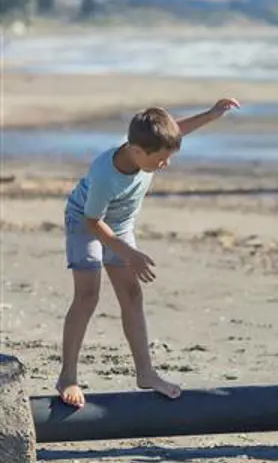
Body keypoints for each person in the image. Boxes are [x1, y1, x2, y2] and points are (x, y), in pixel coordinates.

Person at [56, 99, 240, 408]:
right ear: (138, 151)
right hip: (85, 221)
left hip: (120, 223)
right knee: (88, 296)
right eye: (161, 160)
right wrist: (129, 252)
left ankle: (146, 372)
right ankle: (68, 376)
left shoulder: (145, 146)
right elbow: (92, 221)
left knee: (132, 294)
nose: (165, 165)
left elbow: (176, 130)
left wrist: (211, 114)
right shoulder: (106, 174)